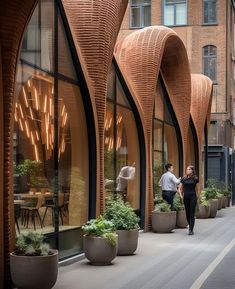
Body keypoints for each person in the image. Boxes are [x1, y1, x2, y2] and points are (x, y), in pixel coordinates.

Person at [178, 165, 199, 235]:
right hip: (185, 197)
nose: (187, 170)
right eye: (187, 169)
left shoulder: (195, 178)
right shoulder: (183, 178)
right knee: (187, 214)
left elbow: (197, 188)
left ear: (192, 170)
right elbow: (179, 188)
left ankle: (191, 230)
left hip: (193, 197)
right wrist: (181, 195)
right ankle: (190, 225)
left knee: (192, 214)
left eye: (189, 169)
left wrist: (198, 196)